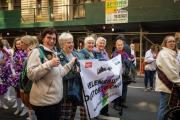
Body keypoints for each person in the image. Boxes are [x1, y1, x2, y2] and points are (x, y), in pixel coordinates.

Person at [26, 28, 77, 120]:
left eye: (54, 39)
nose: (52, 41)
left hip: (55, 101)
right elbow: (31, 75)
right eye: (49, 37)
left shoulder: (54, 53)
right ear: (42, 38)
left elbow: (61, 73)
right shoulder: (36, 52)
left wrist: (71, 63)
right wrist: (49, 64)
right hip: (44, 103)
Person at [58, 32, 85, 120]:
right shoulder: (59, 57)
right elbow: (64, 75)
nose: (71, 44)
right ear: (62, 44)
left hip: (76, 91)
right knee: (65, 117)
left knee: (72, 116)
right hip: (65, 93)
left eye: (72, 42)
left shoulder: (76, 54)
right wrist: (76, 71)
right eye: (68, 42)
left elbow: (84, 67)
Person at [156, 35, 180, 120]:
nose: (172, 43)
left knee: (167, 108)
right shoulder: (164, 54)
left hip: (170, 84)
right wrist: (178, 82)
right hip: (167, 85)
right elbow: (171, 71)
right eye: (169, 41)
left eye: (173, 41)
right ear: (165, 43)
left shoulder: (171, 53)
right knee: (164, 108)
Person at [20, 35, 39, 120]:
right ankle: (31, 116)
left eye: (22, 43)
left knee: (29, 101)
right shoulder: (25, 52)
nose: (20, 44)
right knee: (24, 100)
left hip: (29, 80)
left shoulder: (33, 52)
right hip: (23, 78)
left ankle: (33, 117)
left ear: (27, 43)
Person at [112, 38, 131, 114]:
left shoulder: (125, 53)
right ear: (116, 46)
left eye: (121, 45)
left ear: (123, 46)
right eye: (118, 45)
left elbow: (128, 64)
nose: (120, 46)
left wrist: (128, 60)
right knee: (118, 89)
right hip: (117, 75)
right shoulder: (115, 54)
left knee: (124, 89)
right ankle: (116, 103)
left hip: (124, 74)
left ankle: (122, 102)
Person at [94, 36, 110, 116]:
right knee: (96, 95)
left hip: (105, 77)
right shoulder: (93, 51)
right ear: (97, 43)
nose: (102, 44)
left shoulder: (105, 53)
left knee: (105, 94)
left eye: (103, 43)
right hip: (96, 77)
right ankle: (96, 112)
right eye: (100, 43)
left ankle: (104, 111)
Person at [12, 37, 27, 116]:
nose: (18, 45)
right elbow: (13, 64)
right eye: (17, 44)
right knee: (17, 92)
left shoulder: (26, 52)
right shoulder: (15, 53)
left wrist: (22, 63)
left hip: (24, 75)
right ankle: (19, 108)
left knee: (24, 93)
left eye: (20, 44)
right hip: (16, 75)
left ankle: (25, 109)